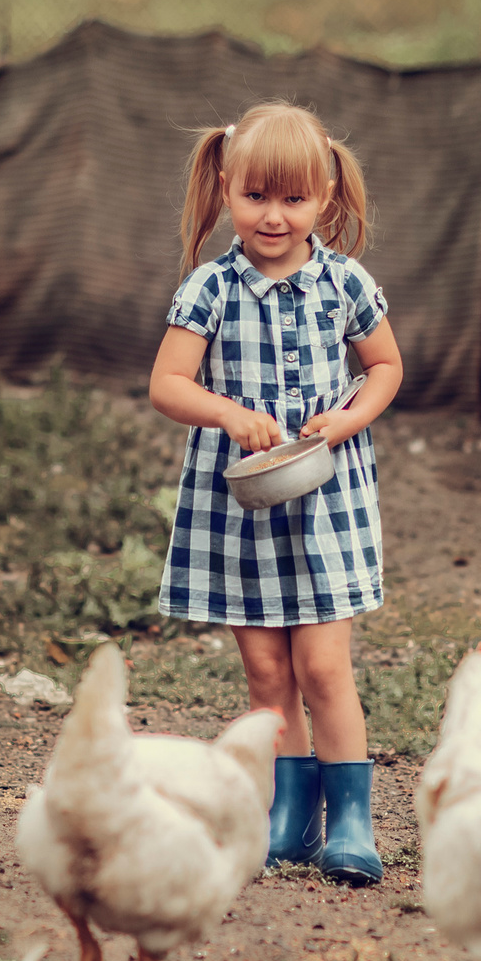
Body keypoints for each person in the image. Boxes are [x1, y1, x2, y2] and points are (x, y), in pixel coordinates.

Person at [147, 101, 405, 886]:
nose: (273, 216)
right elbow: (167, 383)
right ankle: (289, 814)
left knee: (323, 668)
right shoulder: (210, 289)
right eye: (256, 195)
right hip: (241, 510)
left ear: (323, 197)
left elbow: (385, 366)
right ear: (227, 187)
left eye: (293, 198)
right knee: (266, 673)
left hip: (326, 501)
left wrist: (350, 417)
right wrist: (227, 413)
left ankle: (351, 819)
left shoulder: (345, 284)